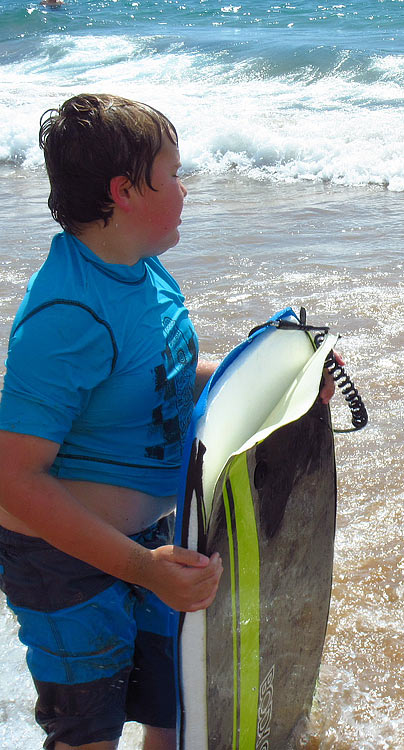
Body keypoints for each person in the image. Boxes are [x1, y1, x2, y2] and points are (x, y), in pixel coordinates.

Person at [0, 94, 223, 750]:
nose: (185, 189)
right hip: (62, 560)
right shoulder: (68, 314)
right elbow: (14, 477)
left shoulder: (143, 271)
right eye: (173, 174)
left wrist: (276, 373)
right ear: (125, 191)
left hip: (153, 541)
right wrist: (142, 568)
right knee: (88, 735)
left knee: (172, 710)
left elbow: (165, 374)